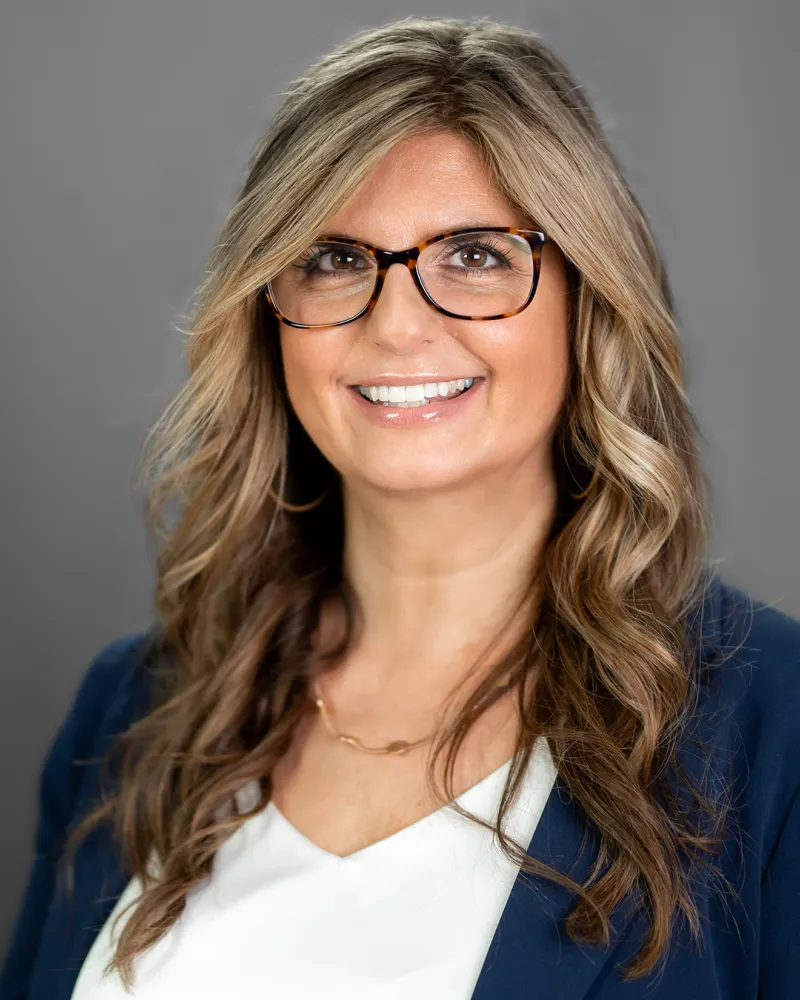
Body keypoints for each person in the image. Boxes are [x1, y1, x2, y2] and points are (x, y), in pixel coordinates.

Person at [1, 15, 798, 1000]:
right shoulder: (132, 708)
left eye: (473, 254)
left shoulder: (772, 724)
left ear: (585, 298)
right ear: (267, 314)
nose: (396, 324)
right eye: (333, 258)